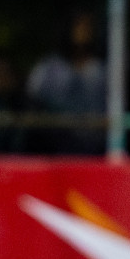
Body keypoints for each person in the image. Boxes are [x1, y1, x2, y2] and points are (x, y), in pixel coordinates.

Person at [28, 9, 107, 155]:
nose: (84, 31)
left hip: (95, 151)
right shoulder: (48, 69)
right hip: (54, 150)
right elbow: (34, 106)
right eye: (79, 26)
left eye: (88, 27)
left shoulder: (102, 70)